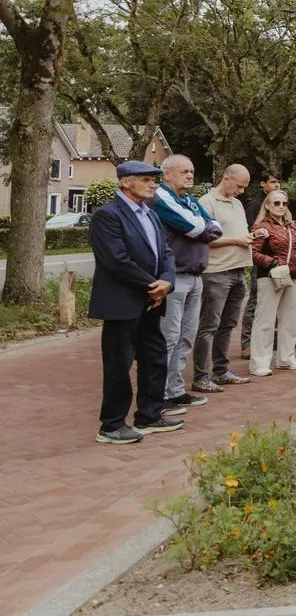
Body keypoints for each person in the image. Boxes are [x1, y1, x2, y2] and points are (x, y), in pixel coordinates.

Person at [90, 161, 183, 443]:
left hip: (152, 301)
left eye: (153, 180)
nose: (153, 185)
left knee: (155, 358)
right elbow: (116, 261)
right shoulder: (108, 215)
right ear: (125, 182)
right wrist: (151, 285)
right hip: (123, 302)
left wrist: (167, 281)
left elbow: (166, 251)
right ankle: (112, 425)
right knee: (119, 365)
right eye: (145, 180)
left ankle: (150, 415)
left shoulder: (151, 214)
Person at [153, 154, 223, 415]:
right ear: (167, 174)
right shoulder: (160, 197)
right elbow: (194, 228)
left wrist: (203, 227)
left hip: (196, 277)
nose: (191, 175)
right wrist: (202, 227)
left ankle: (175, 389)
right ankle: (159, 395)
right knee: (168, 337)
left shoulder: (190, 200)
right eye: (184, 171)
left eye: (192, 171)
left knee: (185, 337)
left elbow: (215, 228)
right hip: (175, 277)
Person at [194, 164, 258, 391]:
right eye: (239, 186)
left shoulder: (238, 203)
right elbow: (204, 238)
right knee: (209, 324)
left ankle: (221, 370)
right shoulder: (206, 203)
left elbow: (237, 233)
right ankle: (201, 376)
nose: (242, 191)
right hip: (216, 272)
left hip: (239, 270)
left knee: (228, 324)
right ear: (226, 178)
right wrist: (236, 241)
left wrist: (249, 237)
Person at [248, 190, 296, 376]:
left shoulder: (291, 226)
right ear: (267, 205)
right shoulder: (261, 226)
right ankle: (259, 362)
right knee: (265, 320)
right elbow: (253, 253)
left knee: (289, 318)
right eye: (276, 203)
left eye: (284, 203)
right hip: (270, 277)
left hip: (293, 276)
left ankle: (286, 357)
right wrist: (272, 263)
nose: (281, 206)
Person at [239, 170, 280, 356]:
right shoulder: (254, 205)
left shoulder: (280, 205)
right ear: (263, 184)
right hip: (261, 259)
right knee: (255, 299)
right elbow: (248, 230)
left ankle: (275, 338)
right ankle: (247, 342)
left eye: (278, 182)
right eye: (272, 182)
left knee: (278, 298)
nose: (276, 185)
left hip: (279, 260)